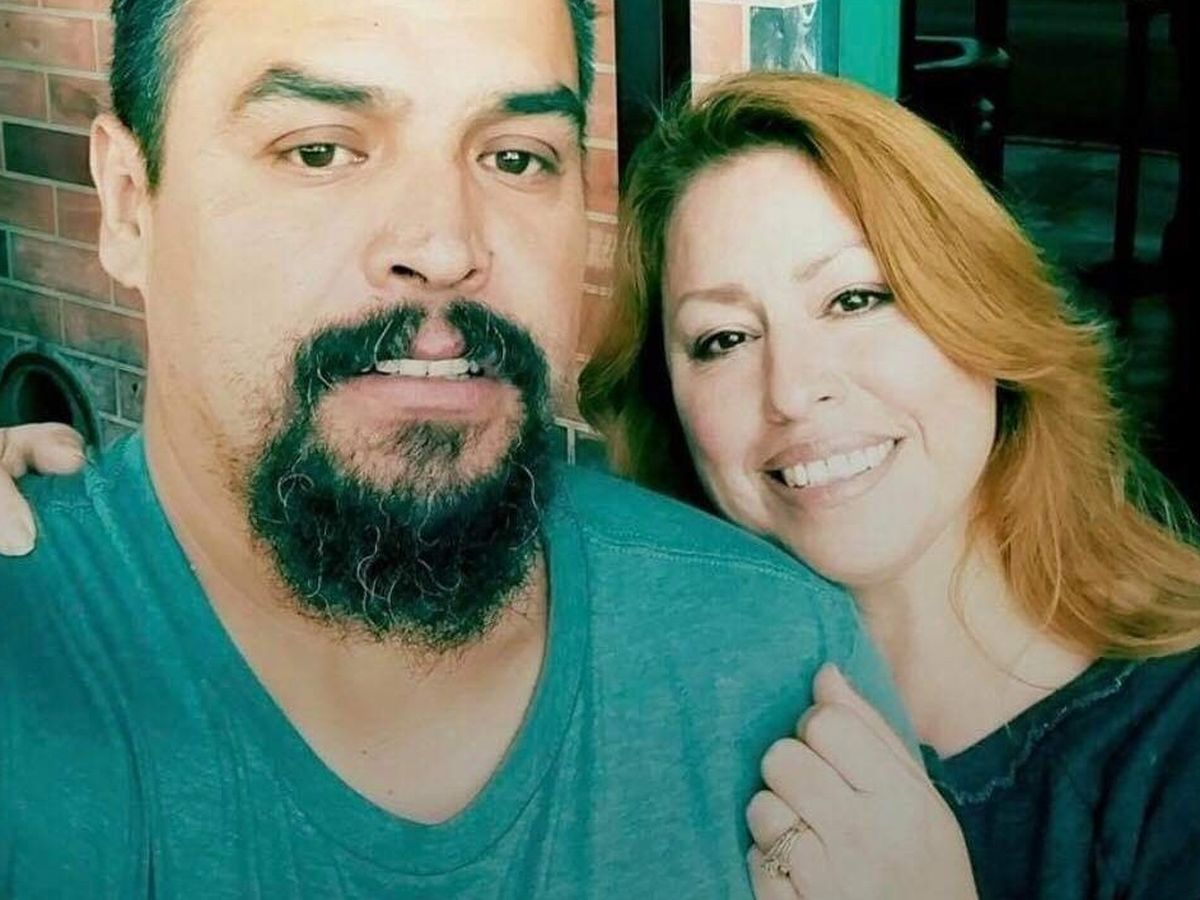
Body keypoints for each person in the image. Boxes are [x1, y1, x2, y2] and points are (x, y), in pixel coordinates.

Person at [0, 5, 914, 896]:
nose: (445, 247)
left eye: (516, 158)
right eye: (319, 150)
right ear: (129, 204)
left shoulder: (778, 666)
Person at [578, 71, 1200, 899]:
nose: (793, 389)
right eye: (724, 339)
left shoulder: (1178, 737)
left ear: (985, 310)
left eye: (855, 298)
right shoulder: (650, 710)